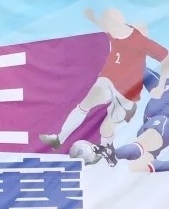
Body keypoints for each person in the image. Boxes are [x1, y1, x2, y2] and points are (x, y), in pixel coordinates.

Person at [40, 8, 168, 149]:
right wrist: (92, 17)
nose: (107, 31)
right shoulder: (115, 31)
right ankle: (59, 138)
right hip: (108, 80)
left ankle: (108, 150)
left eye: (109, 28)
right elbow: (103, 25)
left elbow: (166, 58)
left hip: (127, 94)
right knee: (88, 101)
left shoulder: (141, 42)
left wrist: (160, 85)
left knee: (105, 129)